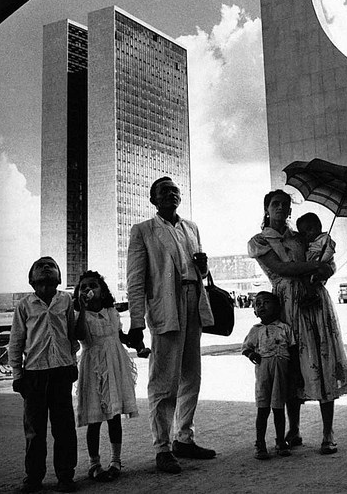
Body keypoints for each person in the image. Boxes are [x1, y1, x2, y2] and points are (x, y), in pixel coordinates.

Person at [247, 190, 347, 455]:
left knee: (322, 359)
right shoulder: (259, 240)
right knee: (291, 364)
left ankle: (328, 432)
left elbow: (328, 264)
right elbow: (281, 269)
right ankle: (293, 429)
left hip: (314, 301)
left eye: (286, 205)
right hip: (285, 303)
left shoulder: (301, 236)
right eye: (276, 204)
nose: (282, 208)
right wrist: (314, 268)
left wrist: (323, 271)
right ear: (266, 209)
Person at [127, 176, 216, 474]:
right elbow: (136, 280)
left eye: (175, 190)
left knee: (192, 374)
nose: (171, 194)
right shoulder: (143, 231)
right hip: (166, 304)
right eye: (164, 191)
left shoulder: (191, 228)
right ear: (153, 200)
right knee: (164, 379)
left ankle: (184, 437)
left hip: (194, 300)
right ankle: (162, 447)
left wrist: (202, 267)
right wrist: (137, 322)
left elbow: (200, 272)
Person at [8, 256, 79, 493]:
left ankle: (65, 476)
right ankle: (34, 477)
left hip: (61, 372)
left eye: (52, 265)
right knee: (34, 430)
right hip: (34, 375)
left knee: (64, 428)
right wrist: (17, 374)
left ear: (59, 277)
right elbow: (16, 341)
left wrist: (72, 363)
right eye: (41, 266)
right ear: (32, 279)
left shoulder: (66, 301)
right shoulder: (24, 306)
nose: (47, 267)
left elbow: (71, 335)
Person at [73, 270, 138, 482]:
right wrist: (82, 309)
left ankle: (115, 460)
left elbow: (120, 336)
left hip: (115, 365)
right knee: (94, 418)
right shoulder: (79, 315)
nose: (88, 290)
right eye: (84, 287)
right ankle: (94, 463)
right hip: (93, 368)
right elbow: (80, 335)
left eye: (93, 285)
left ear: (103, 291)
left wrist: (137, 342)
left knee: (114, 416)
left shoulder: (111, 312)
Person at [241, 291, 296, 460]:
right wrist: (252, 355)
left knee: (279, 408)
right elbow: (246, 348)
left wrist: (295, 374)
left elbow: (293, 350)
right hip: (263, 375)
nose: (262, 306)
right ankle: (260, 443)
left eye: (266, 302)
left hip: (281, 374)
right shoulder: (255, 330)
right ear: (255, 312)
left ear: (277, 307)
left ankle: (280, 441)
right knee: (263, 409)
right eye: (258, 304)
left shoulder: (284, 328)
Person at [296, 212, 336, 307]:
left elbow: (329, 251)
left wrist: (321, 262)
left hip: (321, 262)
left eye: (310, 229)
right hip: (312, 264)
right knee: (306, 278)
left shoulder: (325, 239)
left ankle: (312, 295)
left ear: (319, 226)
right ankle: (311, 295)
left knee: (314, 278)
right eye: (304, 233)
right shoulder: (309, 241)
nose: (308, 235)